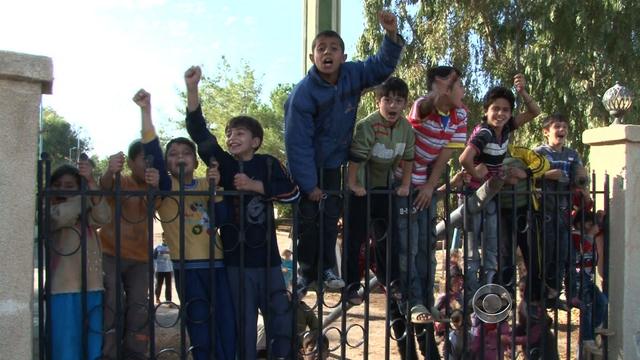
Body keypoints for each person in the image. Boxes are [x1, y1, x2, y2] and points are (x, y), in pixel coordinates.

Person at [284, 11, 405, 295]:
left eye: (334, 48)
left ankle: (327, 269)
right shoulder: (302, 94)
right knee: (307, 219)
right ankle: (305, 275)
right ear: (312, 57)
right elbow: (297, 142)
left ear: (344, 56)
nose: (327, 52)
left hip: (334, 163)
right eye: (321, 49)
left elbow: (380, 67)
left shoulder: (353, 74)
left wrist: (390, 36)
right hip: (307, 165)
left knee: (329, 217)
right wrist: (308, 184)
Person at [184, 65, 300, 359]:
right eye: (228, 133)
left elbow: (293, 193)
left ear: (256, 141)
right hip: (235, 262)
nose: (231, 137)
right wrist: (193, 89)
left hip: (270, 262)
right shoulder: (223, 164)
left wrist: (255, 185)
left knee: (281, 323)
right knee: (242, 327)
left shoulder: (269, 164)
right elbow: (199, 133)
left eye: (239, 133)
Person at [134, 88, 236, 359]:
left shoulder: (207, 183)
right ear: (166, 163)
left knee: (226, 321)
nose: (180, 157)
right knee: (199, 322)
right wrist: (146, 111)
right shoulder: (168, 187)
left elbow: (223, 222)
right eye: (173, 153)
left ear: (195, 161)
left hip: (217, 264)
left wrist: (215, 194)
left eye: (186, 153)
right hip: (187, 267)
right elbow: (152, 151)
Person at [459, 74, 540, 294]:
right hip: (474, 194)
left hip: (491, 194)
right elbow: (464, 158)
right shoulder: (485, 132)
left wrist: (522, 92)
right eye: (496, 108)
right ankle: (472, 292)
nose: (501, 113)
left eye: (506, 109)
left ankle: (488, 291)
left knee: (492, 247)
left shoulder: (504, 130)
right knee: (472, 247)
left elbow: (535, 112)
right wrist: (477, 173)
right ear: (486, 111)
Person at [99, 97, 165, 358]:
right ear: (130, 162)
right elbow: (103, 188)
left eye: (151, 161)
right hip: (110, 254)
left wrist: (155, 186)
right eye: (142, 160)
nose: (147, 166)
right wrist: (109, 171)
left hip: (140, 258)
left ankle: (135, 353)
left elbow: (157, 207)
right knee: (112, 305)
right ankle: (109, 353)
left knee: (139, 306)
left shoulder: (152, 183)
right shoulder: (121, 181)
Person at [345, 76, 414, 305]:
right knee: (356, 237)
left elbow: (408, 157)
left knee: (387, 236)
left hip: (384, 188)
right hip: (362, 187)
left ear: (405, 104)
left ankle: (391, 280)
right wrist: (354, 184)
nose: (393, 105)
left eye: (398, 101)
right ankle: (353, 284)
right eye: (387, 100)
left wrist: (404, 184)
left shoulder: (406, 128)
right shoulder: (368, 125)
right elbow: (357, 157)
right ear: (378, 102)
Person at [47, 160, 110, 360]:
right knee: (66, 342)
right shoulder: (48, 208)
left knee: (92, 341)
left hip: (92, 285)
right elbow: (59, 218)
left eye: (69, 186)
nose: (62, 190)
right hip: (63, 288)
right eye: (57, 185)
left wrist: (91, 184)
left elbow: (104, 216)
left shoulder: (86, 211)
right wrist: (83, 199)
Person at [534, 113, 587, 305]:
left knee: (563, 252)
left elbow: (580, 176)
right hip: (543, 209)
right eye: (557, 126)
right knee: (545, 252)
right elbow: (527, 174)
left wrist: (583, 183)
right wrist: (547, 175)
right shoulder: (538, 152)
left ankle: (556, 294)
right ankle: (542, 292)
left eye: (564, 127)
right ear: (546, 132)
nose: (562, 130)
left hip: (563, 208)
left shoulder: (572, 154)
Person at [498, 146, 550, 302]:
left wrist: (525, 172)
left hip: (526, 211)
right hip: (501, 212)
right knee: (505, 257)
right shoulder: (485, 152)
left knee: (533, 254)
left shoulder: (518, 151)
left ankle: (535, 297)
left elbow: (543, 162)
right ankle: (506, 297)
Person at [572, 211, 610, 358]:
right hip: (577, 277)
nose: (593, 226)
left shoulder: (592, 233)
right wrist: (591, 234)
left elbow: (601, 226)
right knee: (586, 308)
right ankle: (587, 339)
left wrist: (601, 217)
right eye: (589, 223)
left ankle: (595, 329)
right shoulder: (575, 235)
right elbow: (584, 248)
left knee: (602, 301)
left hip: (587, 277)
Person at [153, 236, 173, 305]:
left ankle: (168, 301)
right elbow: (154, 258)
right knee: (158, 285)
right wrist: (154, 268)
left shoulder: (171, 247)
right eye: (165, 237)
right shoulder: (158, 247)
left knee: (168, 286)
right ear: (163, 238)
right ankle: (157, 299)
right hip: (159, 270)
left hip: (168, 269)